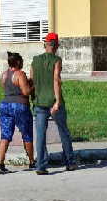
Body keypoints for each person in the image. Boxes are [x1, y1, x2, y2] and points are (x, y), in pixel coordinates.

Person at [29, 33, 77, 174]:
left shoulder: (35, 60)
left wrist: (33, 97)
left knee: (40, 135)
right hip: (53, 102)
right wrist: (57, 101)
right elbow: (56, 79)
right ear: (56, 45)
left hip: (39, 102)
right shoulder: (57, 60)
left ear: (45, 45)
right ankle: (70, 162)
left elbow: (31, 80)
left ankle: (41, 166)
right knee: (63, 132)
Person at [0, 52, 35, 175]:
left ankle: (0, 163)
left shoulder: (4, 75)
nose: (23, 63)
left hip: (4, 106)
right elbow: (26, 91)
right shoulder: (20, 74)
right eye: (22, 60)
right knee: (27, 134)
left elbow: (9, 88)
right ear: (18, 62)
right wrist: (33, 85)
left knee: (5, 136)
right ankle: (32, 161)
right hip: (20, 106)